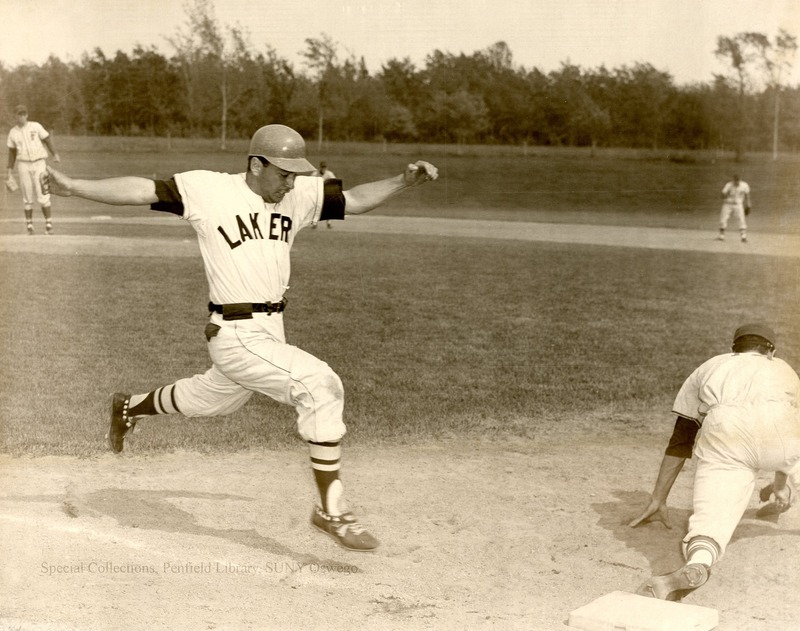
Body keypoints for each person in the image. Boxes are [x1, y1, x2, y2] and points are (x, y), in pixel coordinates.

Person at [46, 124, 438, 552]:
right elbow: (142, 189)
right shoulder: (209, 190)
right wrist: (74, 187)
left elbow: (356, 200)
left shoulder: (299, 195)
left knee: (218, 397)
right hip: (234, 331)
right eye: (283, 174)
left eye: (295, 174)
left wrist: (402, 181)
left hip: (269, 330)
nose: (291, 182)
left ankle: (129, 406)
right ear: (256, 164)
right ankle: (330, 509)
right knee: (320, 384)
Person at [629, 323, 800, 601]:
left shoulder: (711, 366)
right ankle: (787, 489)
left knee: (710, 523)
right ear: (770, 351)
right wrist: (782, 481)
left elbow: (681, 439)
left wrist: (659, 497)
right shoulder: (782, 368)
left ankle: (700, 561)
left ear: (734, 349)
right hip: (780, 433)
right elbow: (790, 430)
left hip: (725, 434)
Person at [6, 104, 61, 235]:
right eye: (19, 114)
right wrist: (9, 170)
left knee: (43, 193)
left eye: (24, 114)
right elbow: (12, 152)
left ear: (27, 115)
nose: (22, 116)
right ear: (15, 116)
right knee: (27, 196)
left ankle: (48, 225)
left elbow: (47, 139)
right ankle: (29, 226)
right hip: (23, 165)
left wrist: (55, 154)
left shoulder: (35, 126)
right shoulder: (13, 132)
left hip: (39, 164)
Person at [717, 174, 750, 243]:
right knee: (723, 218)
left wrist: (748, 204)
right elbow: (722, 194)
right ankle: (721, 236)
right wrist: (725, 195)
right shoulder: (729, 185)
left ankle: (743, 237)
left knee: (741, 219)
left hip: (738, 204)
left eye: (738, 180)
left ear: (740, 180)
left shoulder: (744, 185)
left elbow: (747, 195)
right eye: (735, 180)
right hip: (728, 204)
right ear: (733, 180)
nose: (736, 182)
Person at [312, 161, 337, 229]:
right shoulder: (315, 174)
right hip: (317, 193)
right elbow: (310, 183)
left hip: (327, 193)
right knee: (316, 208)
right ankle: (315, 223)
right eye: (322, 167)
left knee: (328, 208)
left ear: (326, 168)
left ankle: (329, 223)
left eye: (325, 167)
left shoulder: (329, 174)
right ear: (320, 167)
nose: (323, 168)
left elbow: (335, 182)